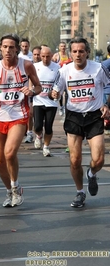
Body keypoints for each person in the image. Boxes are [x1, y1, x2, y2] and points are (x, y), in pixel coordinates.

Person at [50, 37, 110, 208]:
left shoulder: (99, 69)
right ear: (70, 53)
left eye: (81, 51)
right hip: (74, 117)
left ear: (87, 53)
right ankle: (80, 192)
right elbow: (54, 91)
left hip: (94, 116)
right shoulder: (64, 71)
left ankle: (91, 173)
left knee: (98, 160)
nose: (78, 54)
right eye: (74, 51)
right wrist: (53, 95)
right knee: (75, 159)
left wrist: (107, 105)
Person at [0, 33, 42, 208]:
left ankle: (16, 186)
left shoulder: (26, 65)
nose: (8, 50)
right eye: (5, 47)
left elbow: (39, 86)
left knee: (9, 153)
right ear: (0, 49)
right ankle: (10, 190)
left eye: (12, 47)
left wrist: (32, 92)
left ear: (17, 48)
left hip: (19, 114)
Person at [32, 47, 60, 157]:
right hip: (38, 100)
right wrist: (31, 91)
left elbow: (59, 82)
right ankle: (38, 136)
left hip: (51, 102)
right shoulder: (35, 67)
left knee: (48, 126)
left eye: (48, 56)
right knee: (38, 126)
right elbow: (31, 81)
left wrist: (56, 92)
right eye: (43, 56)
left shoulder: (57, 68)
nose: (45, 59)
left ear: (52, 56)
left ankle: (46, 147)